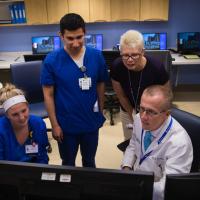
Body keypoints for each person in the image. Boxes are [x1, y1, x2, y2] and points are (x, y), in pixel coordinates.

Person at [41, 13, 108, 167]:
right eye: (70, 38)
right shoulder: (51, 60)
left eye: (79, 37)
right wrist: (55, 125)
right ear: (61, 36)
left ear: (85, 33)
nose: (76, 43)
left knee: (90, 161)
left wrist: (100, 111)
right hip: (65, 124)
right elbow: (48, 95)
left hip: (90, 121)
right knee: (68, 162)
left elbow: (100, 84)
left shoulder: (96, 56)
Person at [121, 85, 193, 200]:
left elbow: (169, 186)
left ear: (167, 114)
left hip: (156, 192)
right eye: (142, 108)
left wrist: (136, 189)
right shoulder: (138, 119)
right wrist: (126, 167)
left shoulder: (179, 143)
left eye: (151, 112)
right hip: (136, 178)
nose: (143, 117)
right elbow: (133, 144)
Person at [110, 30, 170, 140]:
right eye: (125, 55)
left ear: (143, 52)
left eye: (134, 55)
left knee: (152, 141)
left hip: (153, 111)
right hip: (128, 109)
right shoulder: (116, 66)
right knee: (131, 141)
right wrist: (133, 116)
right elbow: (121, 96)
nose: (129, 60)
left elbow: (166, 95)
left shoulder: (157, 68)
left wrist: (156, 115)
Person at [0, 83, 49, 164]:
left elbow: (42, 156)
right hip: (8, 173)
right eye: (15, 114)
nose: (22, 117)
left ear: (28, 107)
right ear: (7, 115)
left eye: (24, 111)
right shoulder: (1, 130)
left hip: (34, 170)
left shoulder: (38, 124)